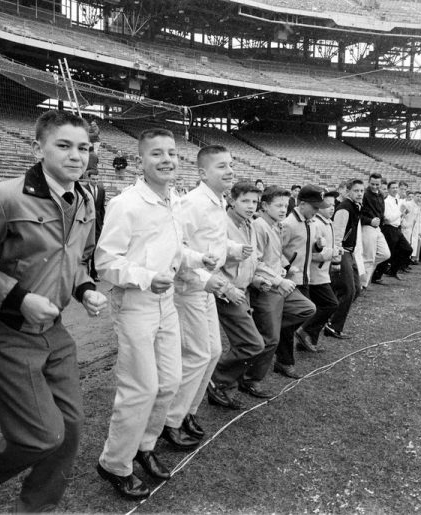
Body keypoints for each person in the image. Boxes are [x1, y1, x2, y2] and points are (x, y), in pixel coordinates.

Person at [0, 110, 108, 511]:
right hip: (5, 332)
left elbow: (78, 259)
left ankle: (36, 508)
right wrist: (18, 299)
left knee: (69, 431)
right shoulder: (1, 196)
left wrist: (85, 290)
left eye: (83, 148)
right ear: (39, 147)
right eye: (63, 145)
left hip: (56, 331)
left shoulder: (86, 198)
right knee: (37, 436)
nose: (76, 156)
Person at [95, 128, 205, 499]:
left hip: (165, 301)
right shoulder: (126, 204)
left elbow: (170, 248)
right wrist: (145, 278)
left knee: (170, 382)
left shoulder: (174, 198)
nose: (167, 160)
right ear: (141, 159)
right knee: (139, 388)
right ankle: (114, 463)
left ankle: (144, 446)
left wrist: (194, 258)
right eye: (157, 154)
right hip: (136, 303)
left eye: (171, 153)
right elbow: (105, 262)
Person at [164, 145, 233, 447]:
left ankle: (188, 410)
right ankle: (171, 420)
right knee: (196, 355)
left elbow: (213, 243)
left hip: (208, 285)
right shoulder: (190, 203)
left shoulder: (218, 200)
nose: (229, 171)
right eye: (221, 166)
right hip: (190, 287)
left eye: (230, 165)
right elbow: (177, 250)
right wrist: (206, 278)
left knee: (214, 351)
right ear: (203, 172)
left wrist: (231, 250)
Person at [207, 181, 277, 407]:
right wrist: (227, 289)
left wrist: (257, 279)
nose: (251, 206)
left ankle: (225, 387)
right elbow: (211, 263)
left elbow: (251, 261)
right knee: (252, 343)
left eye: (255, 201)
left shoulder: (250, 225)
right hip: (225, 293)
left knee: (246, 343)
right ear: (231, 200)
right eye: (245, 201)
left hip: (243, 290)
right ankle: (216, 380)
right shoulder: (221, 225)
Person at [250, 186, 316, 379]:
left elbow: (276, 254)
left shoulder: (275, 225)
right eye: (278, 205)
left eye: (285, 205)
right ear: (264, 205)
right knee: (270, 339)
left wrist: (287, 267)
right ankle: (251, 378)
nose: (282, 210)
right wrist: (279, 279)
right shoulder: (259, 226)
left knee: (307, 309)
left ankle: (268, 325)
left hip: (279, 282)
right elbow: (257, 261)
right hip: (268, 286)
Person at [283, 185, 337, 352]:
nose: (316, 211)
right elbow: (276, 250)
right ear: (302, 204)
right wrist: (287, 266)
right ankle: (284, 359)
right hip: (291, 280)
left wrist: (318, 246)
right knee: (292, 320)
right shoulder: (288, 224)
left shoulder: (311, 222)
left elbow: (310, 248)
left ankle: (285, 357)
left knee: (300, 316)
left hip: (305, 278)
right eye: (314, 207)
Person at [327, 179, 365, 339]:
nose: (359, 194)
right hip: (343, 252)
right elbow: (337, 236)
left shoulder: (356, 207)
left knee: (356, 288)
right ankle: (333, 326)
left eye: (362, 191)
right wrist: (336, 259)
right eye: (356, 191)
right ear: (348, 191)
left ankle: (330, 318)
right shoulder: (344, 208)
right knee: (348, 290)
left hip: (351, 252)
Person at [359, 173, 391, 286]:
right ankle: (362, 285)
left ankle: (360, 271)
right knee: (368, 258)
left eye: (377, 184)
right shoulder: (364, 195)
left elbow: (380, 212)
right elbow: (358, 214)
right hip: (367, 227)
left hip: (377, 228)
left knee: (385, 254)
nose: (374, 186)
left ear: (381, 183)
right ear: (368, 182)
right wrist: (369, 221)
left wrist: (382, 220)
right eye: (372, 184)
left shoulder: (381, 195)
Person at [378, 181, 412, 278]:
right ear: (388, 190)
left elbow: (398, 215)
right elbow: (388, 219)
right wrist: (400, 211)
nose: (395, 189)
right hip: (389, 229)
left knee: (407, 249)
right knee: (388, 253)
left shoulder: (397, 200)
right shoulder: (386, 202)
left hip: (397, 229)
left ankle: (393, 270)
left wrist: (403, 213)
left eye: (396, 187)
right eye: (393, 188)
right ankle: (377, 275)